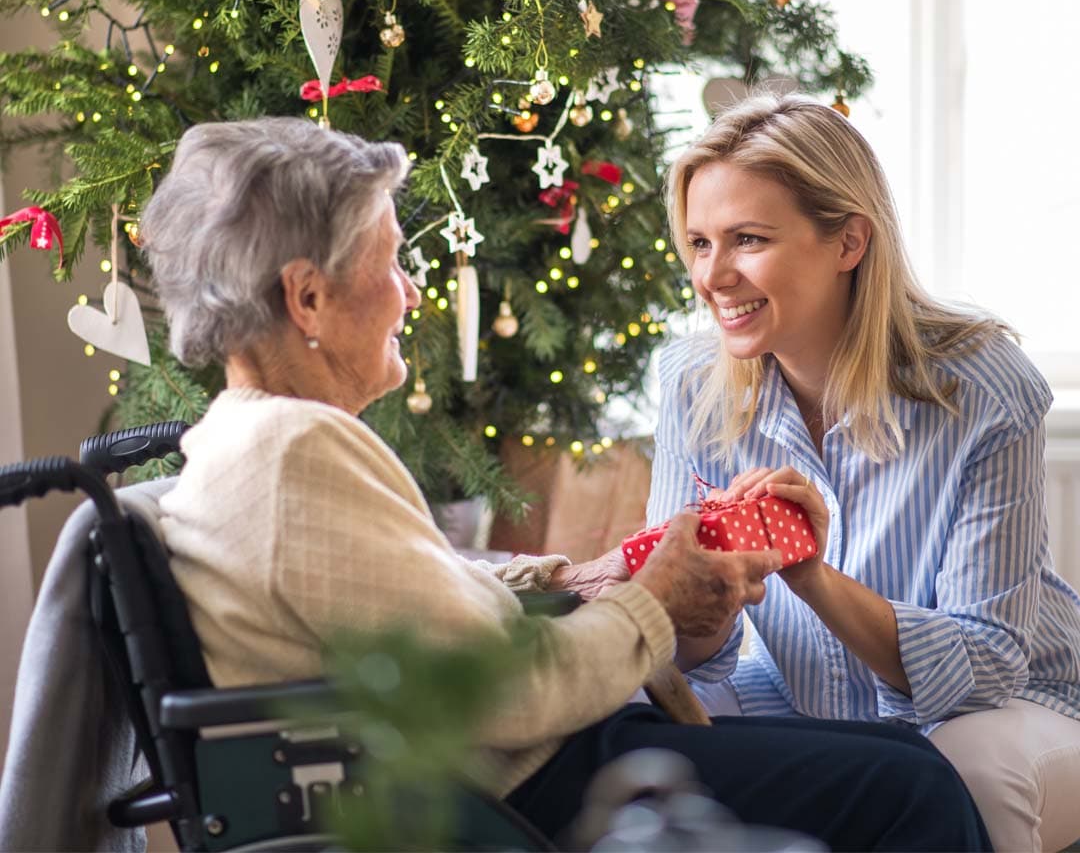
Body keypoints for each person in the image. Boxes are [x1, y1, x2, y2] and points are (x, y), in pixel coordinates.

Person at [140, 116, 990, 851]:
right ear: (309, 297)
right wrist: (654, 601)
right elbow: (507, 693)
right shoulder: (296, 451)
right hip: (517, 790)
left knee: (908, 762)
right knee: (915, 790)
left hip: (524, 766)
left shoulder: (252, 440)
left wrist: (574, 576)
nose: (409, 293)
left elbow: (403, 594)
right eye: (390, 262)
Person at [649, 92, 1080, 852]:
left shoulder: (982, 387)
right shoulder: (692, 384)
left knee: (965, 771)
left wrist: (811, 573)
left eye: (747, 239)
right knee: (653, 748)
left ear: (849, 242)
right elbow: (692, 653)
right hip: (799, 693)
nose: (713, 276)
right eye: (699, 243)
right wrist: (701, 602)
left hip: (1013, 703)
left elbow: (986, 662)